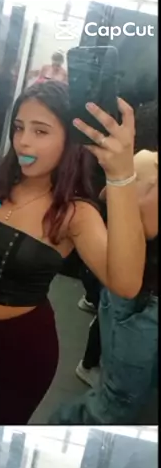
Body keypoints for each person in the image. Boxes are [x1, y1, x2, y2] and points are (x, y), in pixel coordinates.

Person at [0, 80, 146, 425]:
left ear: (68, 140)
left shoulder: (74, 213)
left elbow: (127, 284)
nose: (23, 141)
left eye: (40, 131)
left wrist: (121, 176)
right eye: (19, 128)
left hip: (23, 349)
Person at [52, 99, 158, 423]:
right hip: (141, 298)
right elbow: (146, 224)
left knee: (132, 394)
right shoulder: (147, 162)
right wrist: (126, 181)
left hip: (136, 292)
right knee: (116, 403)